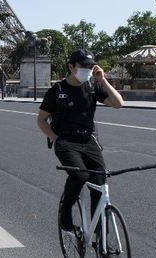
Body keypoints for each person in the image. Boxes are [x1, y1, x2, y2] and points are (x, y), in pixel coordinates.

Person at [36, 48, 125, 231]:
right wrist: (56, 138)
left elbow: (118, 103)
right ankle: (66, 208)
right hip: (66, 141)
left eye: (91, 66)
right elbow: (41, 120)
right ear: (71, 66)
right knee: (80, 175)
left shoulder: (92, 87)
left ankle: (98, 233)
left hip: (88, 140)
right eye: (83, 66)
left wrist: (103, 79)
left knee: (99, 182)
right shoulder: (57, 90)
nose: (88, 69)